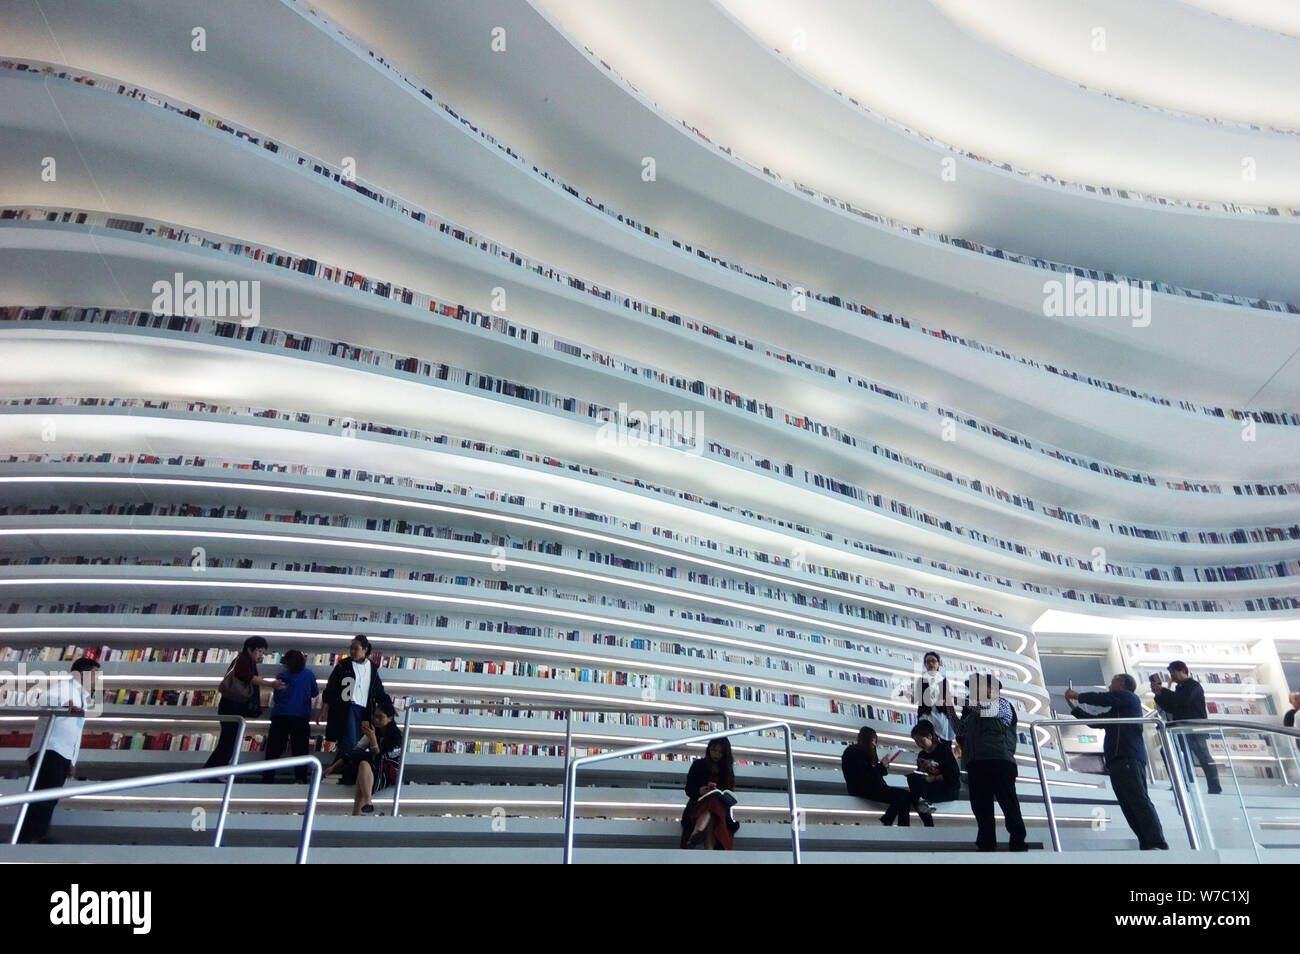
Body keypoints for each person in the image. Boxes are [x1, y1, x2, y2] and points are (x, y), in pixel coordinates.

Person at [1066, 675, 1168, 850]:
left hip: (1128, 756)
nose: (1109, 684)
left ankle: (1156, 842)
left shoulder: (1128, 697)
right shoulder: (1118, 709)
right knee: (1128, 803)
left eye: (1113, 681)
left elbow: (1102, 699)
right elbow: (1096, 722)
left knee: (1137, 800)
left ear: (1122, 684)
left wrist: (1077, 695)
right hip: (1118, 759)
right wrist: (1074, 708)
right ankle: (1147, 842)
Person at [17, 657, 100, 844]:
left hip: (61, 753)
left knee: (51, 796)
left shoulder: (82, 696)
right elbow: (46, 698)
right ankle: (28, 838)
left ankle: (36, 835)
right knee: (44, 795)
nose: (97, 679)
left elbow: (75, 732)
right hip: (50, 749)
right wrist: (66, 704)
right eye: (95, 674)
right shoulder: (67, 687)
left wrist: (72, 761)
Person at [956, 674, 1027, 851]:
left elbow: (987, 710)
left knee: (1007, 801)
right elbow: (959, 730)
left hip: (1000, 759)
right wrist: (949, 708)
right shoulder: (971, 712)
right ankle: (986, 841)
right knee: (981, 806)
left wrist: (958, 700)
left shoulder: (1002, 704)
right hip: (975, 762)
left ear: (993, 689)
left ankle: (1018, 839)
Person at [320, 635, 389, 781]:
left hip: (365, 711)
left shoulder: (372, 668)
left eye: (355, 649)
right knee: (350, 742)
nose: (352, 651)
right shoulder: (343, 665)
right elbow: (331, 688)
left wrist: (389, 707)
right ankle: (339, 775)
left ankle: (335, 773)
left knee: (358, 744)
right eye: (350, 648)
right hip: (347, 709)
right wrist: (324, 709)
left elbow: (379, 691)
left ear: (365, 649)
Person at [205, 636, 276, 769]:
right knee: (228, 742)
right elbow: (248, 677)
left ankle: (214, 772)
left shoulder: (248, 661)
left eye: (263, 652)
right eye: (259, 651)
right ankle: (208, 773)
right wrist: (271, 684)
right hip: (231, 706)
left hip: (232, 705)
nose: (261, 655)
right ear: (250, 649)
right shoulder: (242, 660)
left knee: (229, 742)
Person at [1152, 661, 1222, 795]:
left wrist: (1163, 691)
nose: (1171, 676)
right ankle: (1181, 783)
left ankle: (1214, 787)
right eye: (1170, 673)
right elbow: (1171, 707)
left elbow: (1182, 701)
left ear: (1183, 670)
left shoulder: (1193, 686)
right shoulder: (1180, 688)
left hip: (1194, 728)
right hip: (1181, 728)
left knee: (1203, 756)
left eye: (1173, 672)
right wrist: (1159, 694)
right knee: (1169, 752)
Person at [323, 700, 403, 815]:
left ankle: (357, 812)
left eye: (380, 717)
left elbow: (381, 757)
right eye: (375, 716)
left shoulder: (396, 736)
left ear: (390, 718)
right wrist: (333, 767)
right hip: (372, 771)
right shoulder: (372, 731)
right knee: (363, 765)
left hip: (387, 773)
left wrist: (373, 738)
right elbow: (355, 752)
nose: (376, 720)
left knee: (363, 769)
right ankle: (367, 803)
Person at [262, 649, 319, 783]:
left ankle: (267, 779)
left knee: (273, 749)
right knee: (300, 749)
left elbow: (276, 697)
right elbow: (315, 693)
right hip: (300, 716)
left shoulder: (281, 675)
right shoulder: (309, 674)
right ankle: (300, 779)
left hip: (280, 716)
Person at [841, 726, 913, 826]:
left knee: (905, 796)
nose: (875, 744)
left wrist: (882, 766)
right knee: (904, 796)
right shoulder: (855, 752)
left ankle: (890, 821)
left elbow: (868, 774)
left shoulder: (854, 751)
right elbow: (866, 776)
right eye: (874, 740)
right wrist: (882, 766)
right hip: (864, 788)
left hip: (864, 788)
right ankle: (892, 822)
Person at [681, 737, 741, 849]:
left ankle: (697, 832)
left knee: (714, 805)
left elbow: (728, 793)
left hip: (719, 809)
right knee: (712, 808)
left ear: (725, 754)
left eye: (720, 752)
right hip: (697, 805)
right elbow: (689, 789)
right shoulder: (698, 765)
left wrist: (718, 792)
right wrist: (700, 790)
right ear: (709, 749)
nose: (716, 754)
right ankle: (709, 853)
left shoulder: (727, 770)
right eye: (714, 750)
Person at [907, 719, 960, 827]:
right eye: (917, 742)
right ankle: (928, 822)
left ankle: (928, 824)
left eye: (922, 740)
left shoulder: (943, 750)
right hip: (930, 787)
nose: (920, 744)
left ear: (930, 736)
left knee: (915, 797)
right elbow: (922, 777)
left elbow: (953, 775)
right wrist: (922, 770)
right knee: (912, 779)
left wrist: (933, 778)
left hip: (948, 788)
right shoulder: (922, 754)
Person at [914, 651, 957, 742]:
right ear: (925, 664)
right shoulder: (921, 681)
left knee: (943, 746)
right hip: (926, 717)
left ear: (938, 664)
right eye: (928, 661)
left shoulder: (944, 681)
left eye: (933, 661)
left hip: (942, 718)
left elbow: (949, 701)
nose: (931, 663)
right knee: (928, 744)